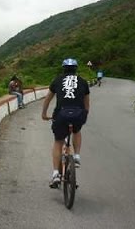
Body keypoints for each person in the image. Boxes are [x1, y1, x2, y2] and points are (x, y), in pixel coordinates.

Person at [41, 58, 90, 188]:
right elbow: (87, 104)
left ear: (63, 69)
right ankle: (77, 156)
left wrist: (44, 114)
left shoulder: (57, 80)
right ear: (76, 69)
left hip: (61, 115)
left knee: (58, 141)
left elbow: (47, 99)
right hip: (78, 114)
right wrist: (84, 116)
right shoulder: (83, 82)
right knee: (77, 131)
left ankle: (56, 174)